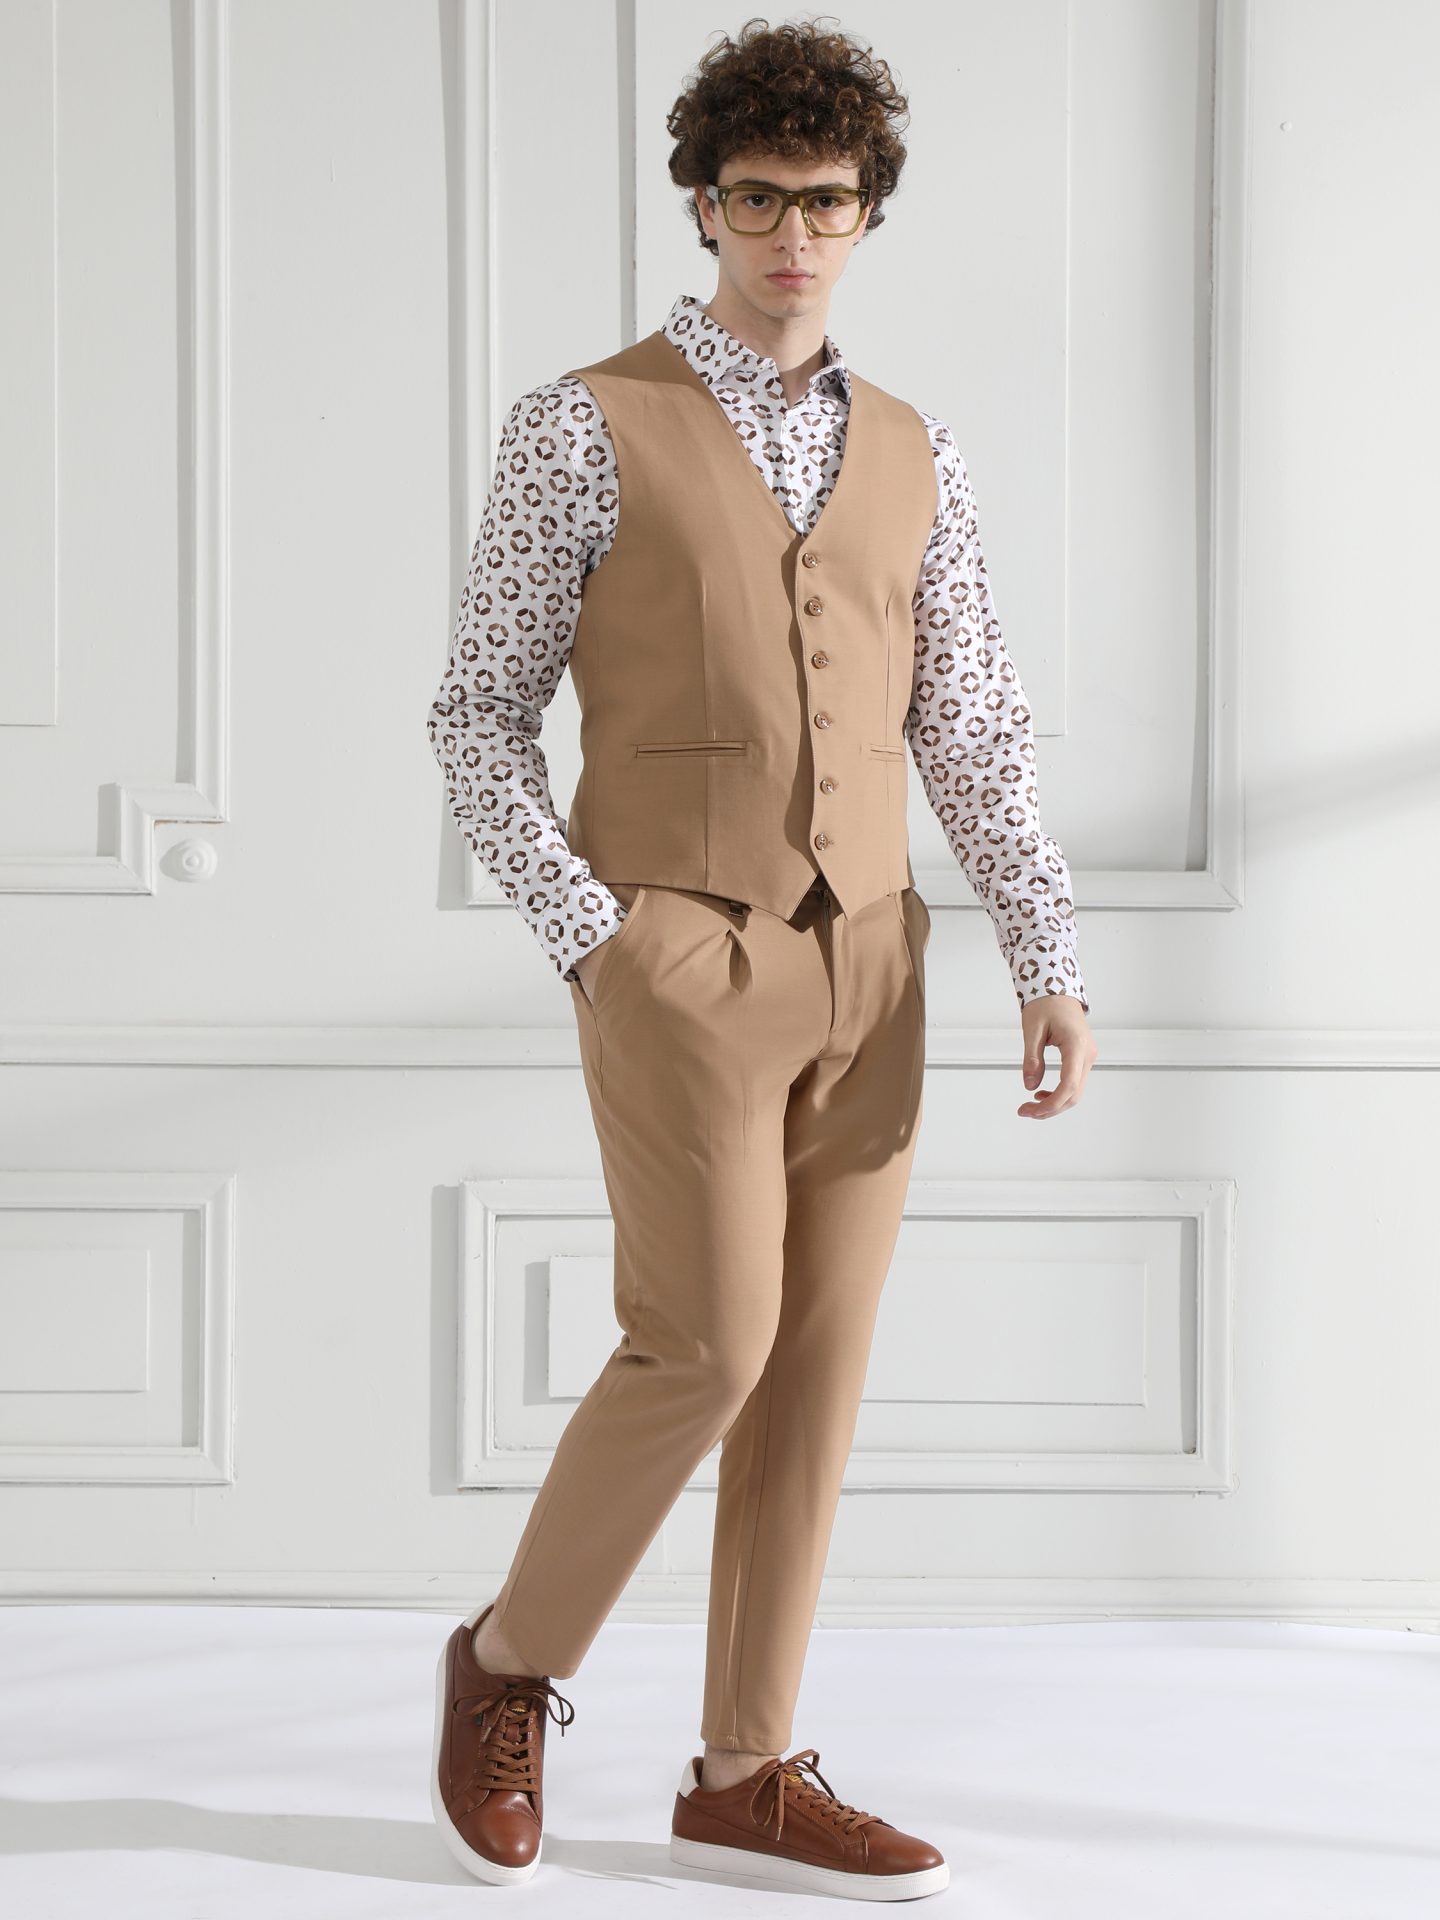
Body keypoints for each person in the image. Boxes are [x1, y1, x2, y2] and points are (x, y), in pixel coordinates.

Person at [426, 16, 1096, 1899]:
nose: (792, 235)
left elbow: (971, 720)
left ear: (869, 212)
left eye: (827, 202)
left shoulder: (920, 451)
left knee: (812, 1367)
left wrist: (1044, 950)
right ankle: (509, 1664)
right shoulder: (583, 422)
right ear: (701, 204)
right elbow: (475, 715)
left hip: (874, 962)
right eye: (757, 198)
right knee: (705, 1343)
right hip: (679, 956)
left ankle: (745, 1768)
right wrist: (595, 937)